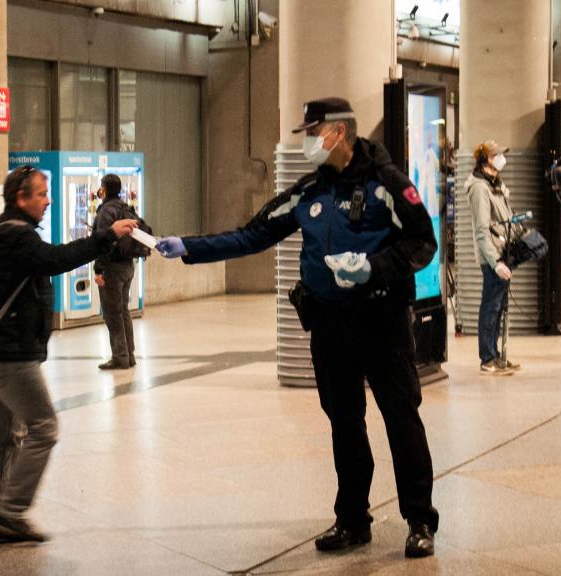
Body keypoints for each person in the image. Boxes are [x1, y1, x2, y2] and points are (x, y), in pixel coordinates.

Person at [155, 98, 440, 559]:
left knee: (400, 417)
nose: (307, 141)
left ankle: (420, 519)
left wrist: (373, 267)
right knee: (344, 422)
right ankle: (352, 519)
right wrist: (188, 247)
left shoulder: (387, 183)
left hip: (381, 319)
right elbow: (253, 234)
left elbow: (422, 242)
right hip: (330, 323)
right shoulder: (309, 189)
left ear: (338, 133)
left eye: (313, 131)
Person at [0, 165, 137, 543]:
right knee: (43, 427)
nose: (48, 201)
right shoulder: (17, 238)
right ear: (21, 198)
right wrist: (105, 237)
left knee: (4, 432)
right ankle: (9, 511)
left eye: (48, 193)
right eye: (41, 194)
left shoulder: (0, 231)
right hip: (10, 356)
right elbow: (57, 259)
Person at [465, 140, 519, 376]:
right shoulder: (479, 187)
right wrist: (495, 262)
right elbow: (481, 229)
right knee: (491, 306)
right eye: (496, 155)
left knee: (498, 306)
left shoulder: (495, 184)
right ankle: (487, 358)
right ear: (485, 159)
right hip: (492, 256)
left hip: (503, 251)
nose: (501, 158)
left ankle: (495, 356)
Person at [93, 174, 137, 370]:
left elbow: (103, 242)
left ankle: (120, 357)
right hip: (128, 265)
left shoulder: (106, 212)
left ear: (104, 189)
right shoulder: (126, 208)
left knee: (113, 313)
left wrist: (99, 268)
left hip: (112, 267)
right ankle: (130, 355)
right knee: (123, 310)